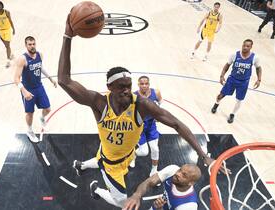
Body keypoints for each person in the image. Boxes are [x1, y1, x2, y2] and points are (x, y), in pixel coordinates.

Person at [58, 15, 215, 209]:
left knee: (115, 154)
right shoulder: (98, 102)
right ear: (109, 86)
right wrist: (67, 36)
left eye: (128, 85)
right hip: (111, 164)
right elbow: (64, 80)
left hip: (125, 155)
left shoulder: (141, 105)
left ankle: (80, 166)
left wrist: (203, 154)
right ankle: (96, 189)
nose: (126, 90)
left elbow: (175, 123)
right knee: (122, 201)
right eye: (121, 86)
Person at [14, 36, 57, 143]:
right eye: (29, 44)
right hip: (28, 89)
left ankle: (42, 118)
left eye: (33, 44)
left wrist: (51, 79)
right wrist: (24, 91)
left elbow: (40, 67)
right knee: (30, 113)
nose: (32, 46)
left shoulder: (39, 55)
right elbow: (16, 78)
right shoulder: (22, 59)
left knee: (47, 108)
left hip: (39, 86)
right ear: (26, 45)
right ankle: (29, 131)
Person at [211, 39, 262, 123]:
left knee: (239, 100)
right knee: (221, 95)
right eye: (244, 45)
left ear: (251, 47)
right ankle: (216, 104)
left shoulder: (255, 58)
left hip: (244, 82)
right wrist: (222, 75)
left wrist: (259, 79)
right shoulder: (234, 54)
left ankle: (232, 114)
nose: (245, 47)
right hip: (232, 79)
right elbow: (227, 65)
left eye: (247, 46)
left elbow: (258, 68)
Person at [123, 164, 201, 210]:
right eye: (180, 170)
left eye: (184, 175)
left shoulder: (188, 206)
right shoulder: (173, 170)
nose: (178, 173)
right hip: (156, 206)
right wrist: (137, 195)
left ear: (191, 183)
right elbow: (149, 182)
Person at [130, 76, 163, 177]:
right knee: (144, 152)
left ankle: (154, 170)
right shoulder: (134, 96)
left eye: (146, 83)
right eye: (142, 84)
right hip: (139, 127)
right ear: (138, 84)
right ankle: (133, 155)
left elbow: (160, 102)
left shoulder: (156, 92)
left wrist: (158, 114)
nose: (144, 86)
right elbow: (129, 111)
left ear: (149, 84)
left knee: (155, 149)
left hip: (151, 125)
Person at [0, 1, 15, 68]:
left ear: (2, 5)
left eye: (0, 5)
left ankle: (8, 61)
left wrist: (13, 29)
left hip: (8, 30)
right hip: (1, 31)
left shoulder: (7, 12)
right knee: (6, 46)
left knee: (7, 46)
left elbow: (10, 20)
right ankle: (11, 55)